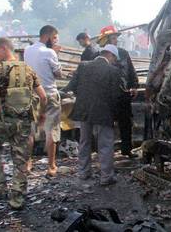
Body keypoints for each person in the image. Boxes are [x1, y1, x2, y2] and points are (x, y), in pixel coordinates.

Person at [0, 38, 47, 209]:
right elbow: (43, 97)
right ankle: (17, 197)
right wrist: (41, 114)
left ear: (4, 48)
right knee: (21, 159)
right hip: (22, 124)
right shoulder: (28, 69)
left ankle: (0, 189)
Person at [63, 44, 124, 185]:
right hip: (104, 112)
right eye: (115, 59)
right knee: (106, 144)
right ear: (111, 55)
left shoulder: (83, 66)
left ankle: (84, 172)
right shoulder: (113, 71)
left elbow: (71, 86)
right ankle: (106, 176)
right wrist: (115, 116)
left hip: (84, 110)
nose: (115, 62)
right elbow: (115, 96)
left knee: (84, 142)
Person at [24, 25, 62, 176]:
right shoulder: (50, 52)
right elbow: (58, 74)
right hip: (49, 94)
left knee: (30, 131)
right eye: (54, 38)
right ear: (47, 37)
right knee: (51, 130)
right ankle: (51, 166)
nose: (54, 41)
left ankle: (27, 163)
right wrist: (56, 54)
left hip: (31, 94)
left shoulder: (28, 50)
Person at [98, 25, 139, 158]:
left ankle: (126, 149)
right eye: (113, 38)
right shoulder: (98, 56)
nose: (115, 40)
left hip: (123, 94)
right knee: (106, 124)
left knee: (126, 123)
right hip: (106, 96)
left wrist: (134, 85)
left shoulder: (123, 53)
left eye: (116, 38)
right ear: (106, 39)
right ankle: (105, 152)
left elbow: (130, 70)